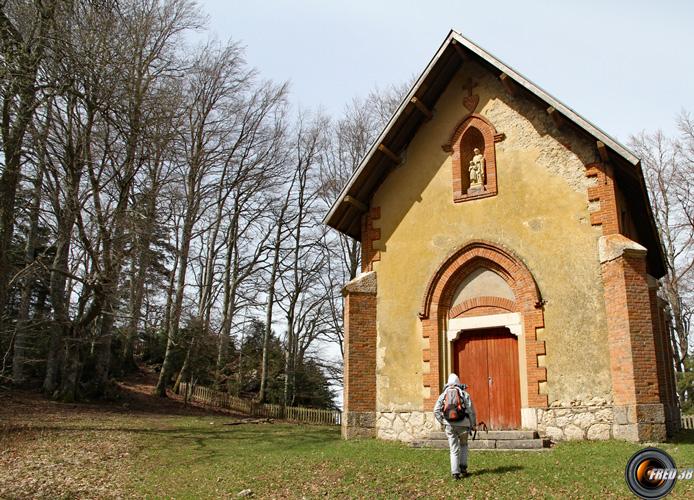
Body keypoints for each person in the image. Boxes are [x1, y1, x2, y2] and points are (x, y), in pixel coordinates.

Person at [433, 373, 477, 480]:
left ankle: (455, 473)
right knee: (464, 445)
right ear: (458, 382)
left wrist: (443, 421)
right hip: (463, 424)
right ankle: (463, 468)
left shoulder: (443, 394)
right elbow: (471, 411)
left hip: (449, 425)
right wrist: (472, 424)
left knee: (453, 449)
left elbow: (436, 410)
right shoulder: (464, 393)